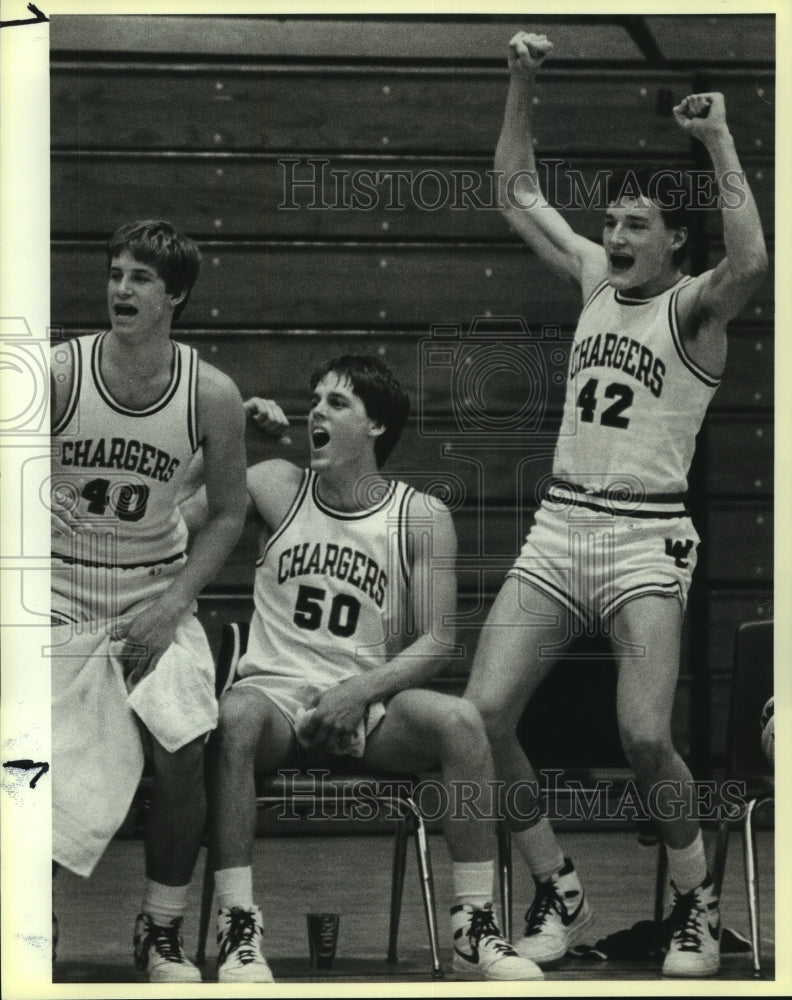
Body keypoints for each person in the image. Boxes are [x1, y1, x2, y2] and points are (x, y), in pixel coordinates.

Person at [464, 32, 768, 979]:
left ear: (677, 239)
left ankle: (693, 897)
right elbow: (515, 189)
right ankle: (556, 883)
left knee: (643, 734)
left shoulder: (696, 311)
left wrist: (720, 143)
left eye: (639, 224)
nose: (620, 237)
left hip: (644, 538)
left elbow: (753, 260)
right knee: (482, 718)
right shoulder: (597, 277)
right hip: (561, 525)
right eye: (615, 222)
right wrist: (521, 82)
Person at [181, 355, 544, 983]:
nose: (316, 410)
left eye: (338, 403)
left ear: (376, 427)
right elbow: (171, 515)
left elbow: (438, 640)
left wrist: (360, 692)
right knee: (233, 716)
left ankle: (474, 925)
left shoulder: (421, 516)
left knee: (461, 721)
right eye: (315, 398)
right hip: (275, 698)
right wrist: (224, 428)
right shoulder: (275, 484)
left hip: (367, 703)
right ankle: (239, 926)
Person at [50, 219, 247, 982]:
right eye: (114, 273)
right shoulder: (62, 374)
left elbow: (229, 513)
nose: (120, 289)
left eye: (139, 278)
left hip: (155, 594)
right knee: (34, 754)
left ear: (176, 296)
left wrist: (173, 606)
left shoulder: (212, 392)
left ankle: (161, 928)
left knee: (181, 749)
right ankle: (33, 911)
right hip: (60, 589)